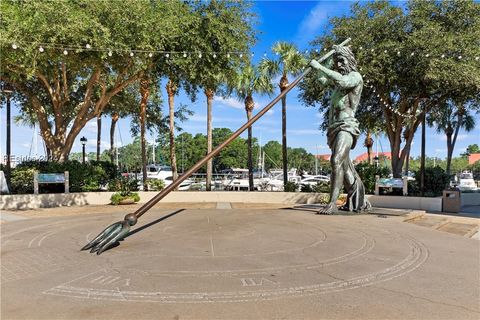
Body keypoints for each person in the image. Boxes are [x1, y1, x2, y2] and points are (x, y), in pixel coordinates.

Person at [309, 45, 371, 214]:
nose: (339, 65)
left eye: (342, 61)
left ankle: (332, 203)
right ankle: (358, 198)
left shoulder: (355, 77)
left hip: (347, 126)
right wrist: (323, 64)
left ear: (350, 60)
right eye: (337, 62)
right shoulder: (337, 85)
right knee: (343, 166)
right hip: (334, 128)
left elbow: (342, 81)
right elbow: (322, 80)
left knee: (336, 160)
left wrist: (320, 66)